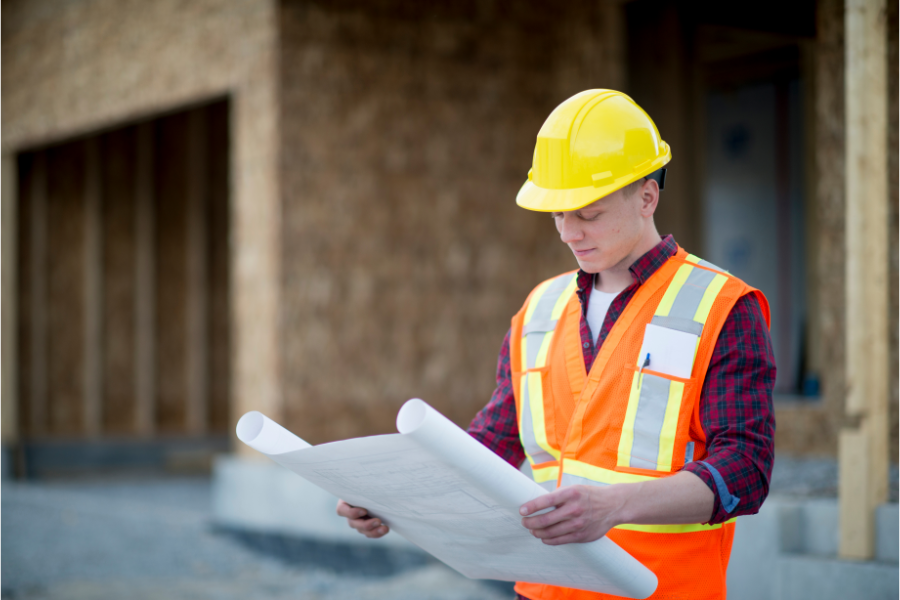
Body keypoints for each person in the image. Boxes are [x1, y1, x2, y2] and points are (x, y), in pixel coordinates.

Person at [338, 89, 776, 600]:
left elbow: (745, 469)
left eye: (587, 213)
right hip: (544, 590)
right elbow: (491, 446)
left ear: (647, 198)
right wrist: (394, 498)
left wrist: (614, 507)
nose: (569, 233)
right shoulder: (539, 311)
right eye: (557, 215)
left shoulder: (722, 306)